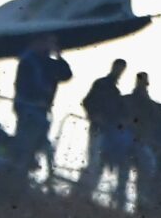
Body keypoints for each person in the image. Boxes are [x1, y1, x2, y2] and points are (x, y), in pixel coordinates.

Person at [10, 41, 72, 183]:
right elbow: (23, 85)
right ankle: (17, 177)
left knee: (37, 145)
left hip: (42, 110)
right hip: (29, 107)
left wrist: (59, 57)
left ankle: (24, 176)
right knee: (26, 143)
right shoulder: (28, 61)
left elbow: (66, 74)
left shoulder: (49, 63)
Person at [76, 60, 133, 206]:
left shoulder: (114, 91)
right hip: (99, 128)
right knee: (94, 162)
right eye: (119, 68)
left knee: (97, 163)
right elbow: (87, 101)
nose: (119, 71)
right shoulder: (102, 85)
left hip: (108, 132)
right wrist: (94, 115)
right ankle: (82, 193)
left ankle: (85, 194)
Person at [118, 71, 161, 213]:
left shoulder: (148, 104)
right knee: (124, 172)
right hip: (128, 138)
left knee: (145, 170)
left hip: (140, 140)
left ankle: (139, 203)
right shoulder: (129, 100)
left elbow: (155, 118)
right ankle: (121, 202)